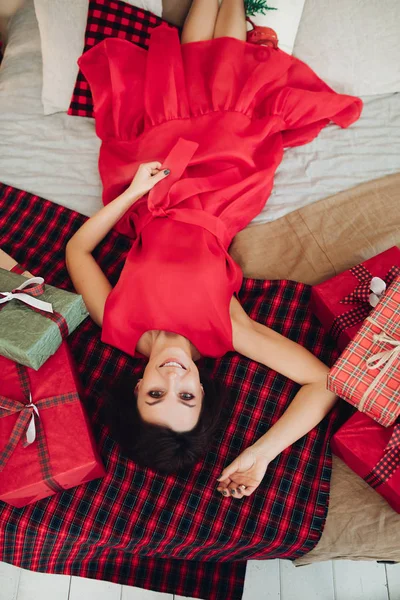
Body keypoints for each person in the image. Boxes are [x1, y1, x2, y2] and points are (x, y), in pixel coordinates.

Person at [66, 0, 363, 498]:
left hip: (153, 183)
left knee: (188, 67)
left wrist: (133, 193)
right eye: (185, 396)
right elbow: (326, 384)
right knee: (222, 68)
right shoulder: (225, 331)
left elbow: (78, 252)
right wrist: (259, 455)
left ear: (135, 389)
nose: (173, 377)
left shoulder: (116, 326)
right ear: (204, 393)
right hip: (225, 182)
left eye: (157, 394)